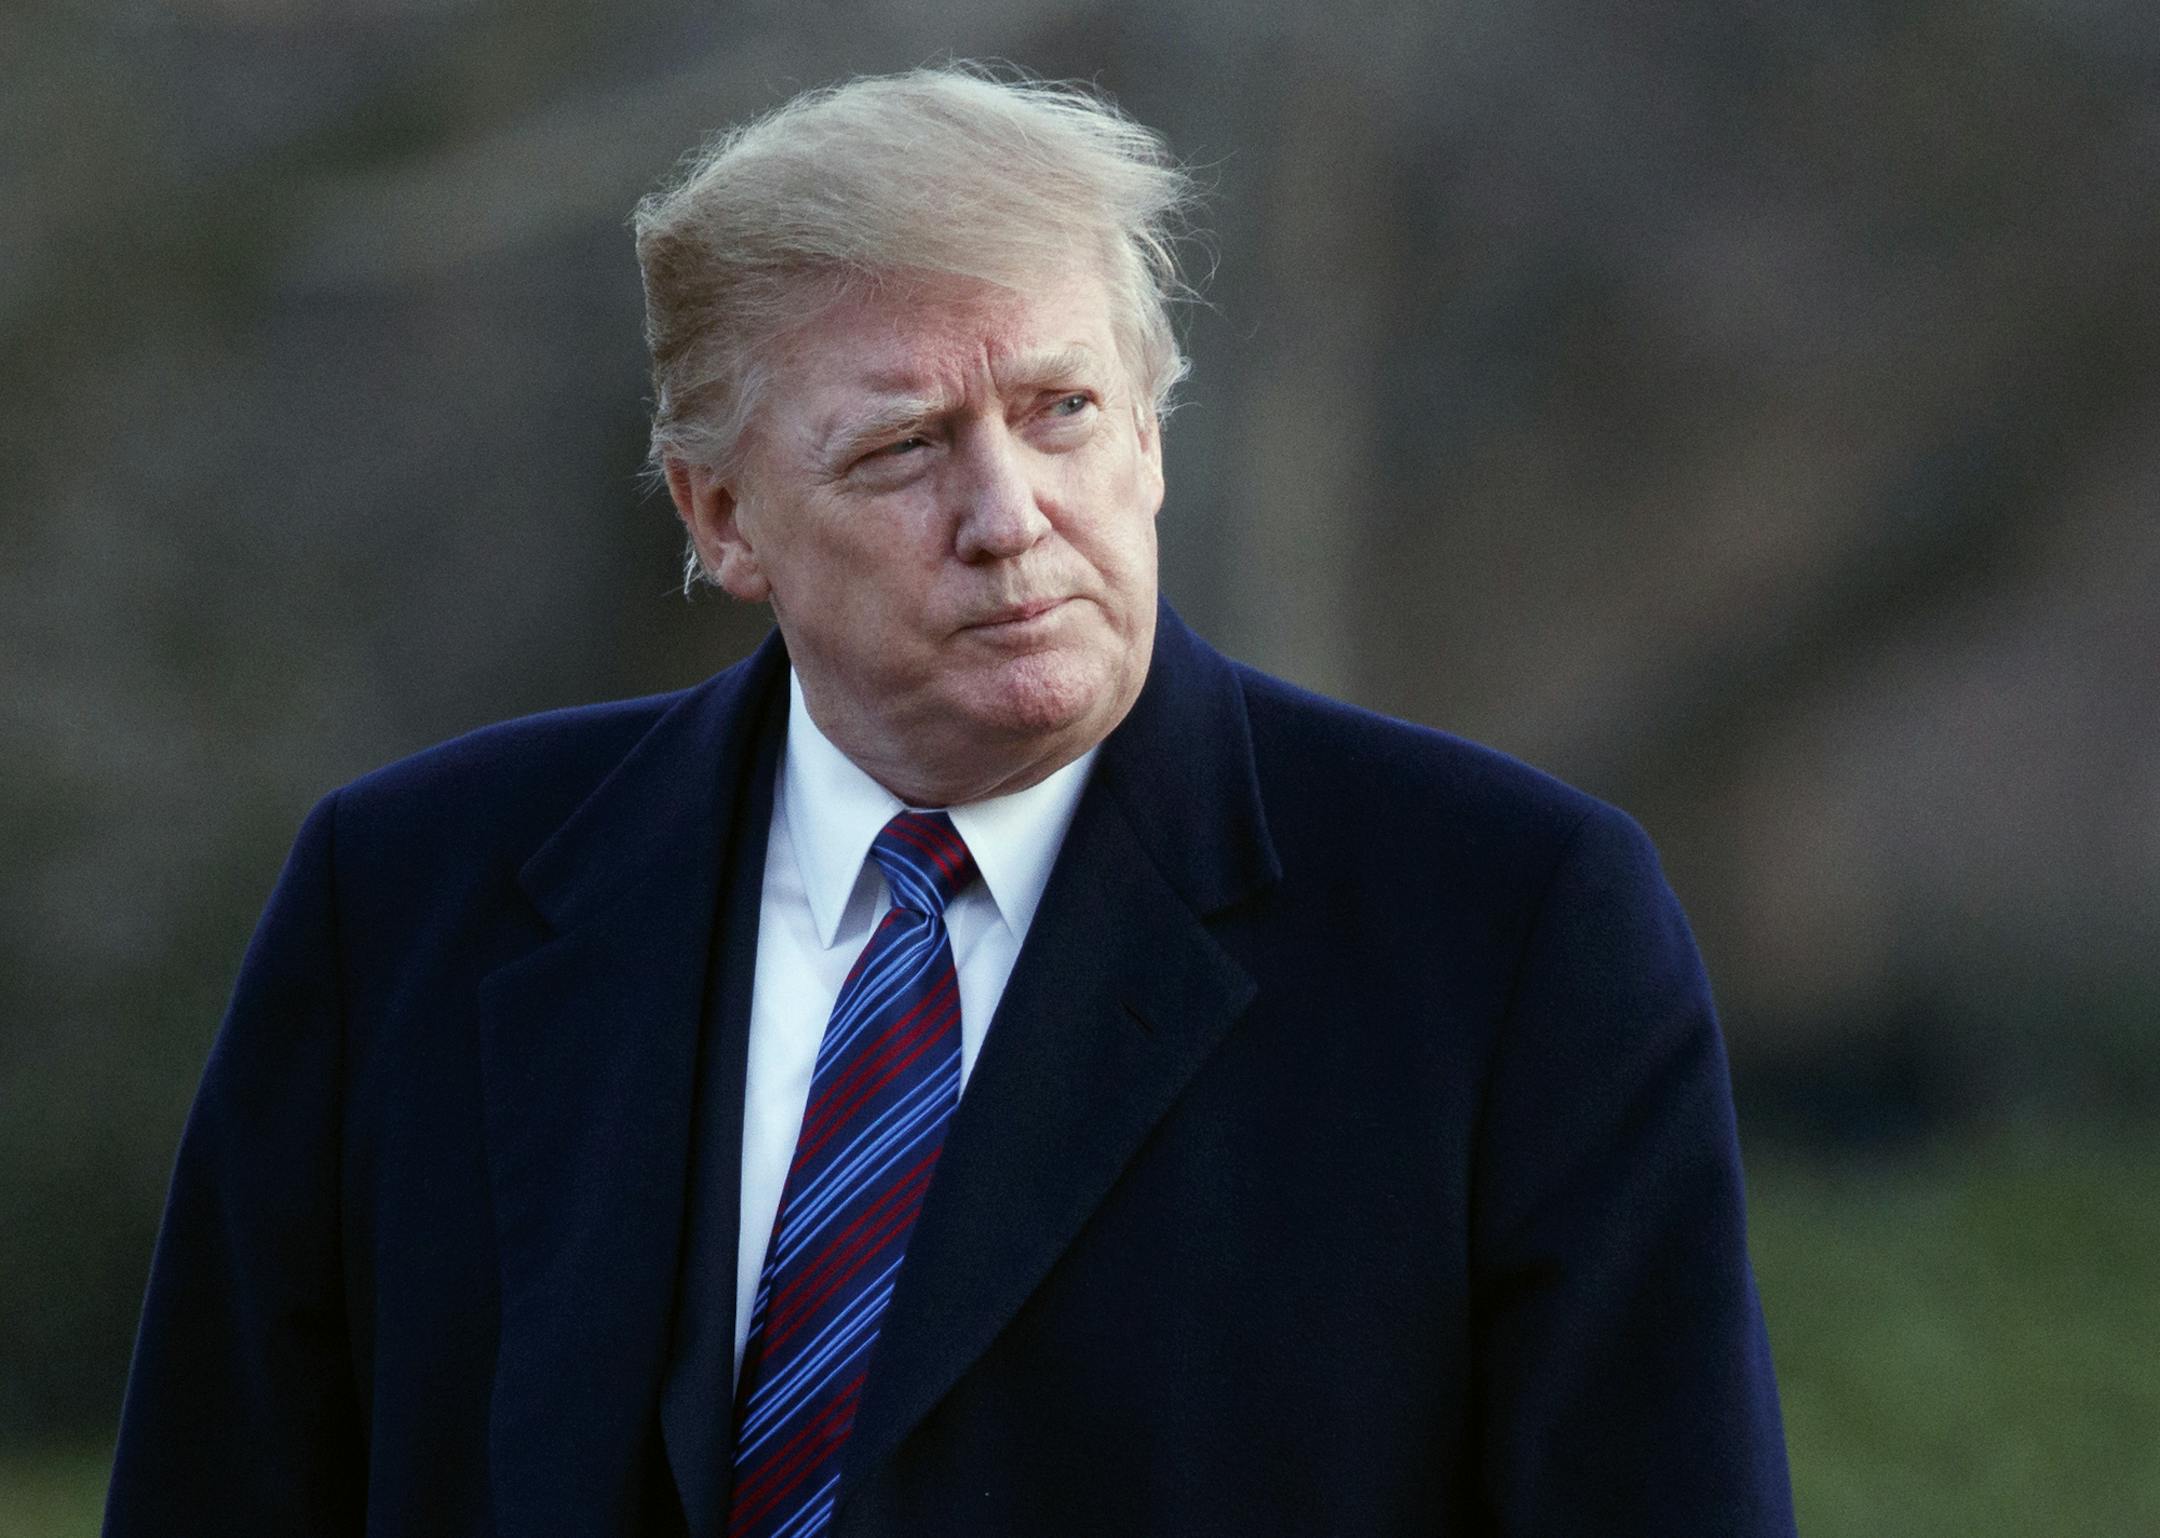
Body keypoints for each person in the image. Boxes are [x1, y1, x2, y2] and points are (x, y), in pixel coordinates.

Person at [105, 67, 1796, 1537]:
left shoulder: (1503, 928)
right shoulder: (409, 899)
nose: (1007, 514)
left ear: (1149, 433)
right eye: (904, 448)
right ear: (721, 517)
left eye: (1059, 412)